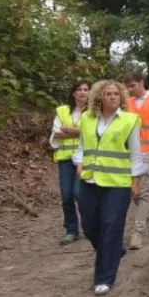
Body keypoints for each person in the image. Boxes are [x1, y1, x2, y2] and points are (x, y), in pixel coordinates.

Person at [73, 80, 146, 295]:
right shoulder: (87, 118)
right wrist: (78, 163)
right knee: (89, 226)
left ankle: (104, 278)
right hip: (90, 180)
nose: (113, 97)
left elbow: (135, 155)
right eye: (108, 94)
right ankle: (115, 250)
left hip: (118, 184)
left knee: (110, 228)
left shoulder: (130, 121)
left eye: (116, 94)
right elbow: (81, 146)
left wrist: (136, 182)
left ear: (121, 98)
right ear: (100, 97)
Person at [124, 71, 149, 250]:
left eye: (133, 85)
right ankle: (148, 218)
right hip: (130, 153)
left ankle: (138, 232)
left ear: (142, 82)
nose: (131, 90)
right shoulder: (127, 103)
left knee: (143, 191)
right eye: (128, 87)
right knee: (134, 191)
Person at [50, 79, 90, 245]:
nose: (82, 92)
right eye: (79, 89)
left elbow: (94, 132)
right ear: (73, 92)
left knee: (79, 194)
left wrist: (70, 130)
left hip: (85, 158)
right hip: (66, 159)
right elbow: (56, 133)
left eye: (86, 89)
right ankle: (71, 230)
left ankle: (89, 226)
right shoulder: (62, 110)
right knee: (66, 196)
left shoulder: (95, 111)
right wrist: (79, 132)